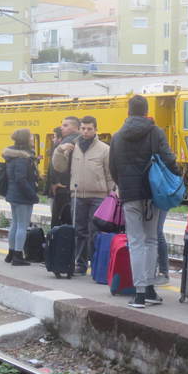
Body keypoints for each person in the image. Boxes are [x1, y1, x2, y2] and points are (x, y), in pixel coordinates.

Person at [109, 95, 180, 309]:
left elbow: (112, 168)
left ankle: (139, 293)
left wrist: (122, 184)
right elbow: (169, 159)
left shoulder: (118, 136)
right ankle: (149, 289)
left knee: (136, 242)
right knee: (151, 240)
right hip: (152, 193)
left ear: (128, 111)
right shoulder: (155, 132)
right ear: (146, 111)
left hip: (130, 195)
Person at [51, 116, 114, 276]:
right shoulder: (72, 147)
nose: (86, 132)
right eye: (83, 128)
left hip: (99, 196)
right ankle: (80, 263)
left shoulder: (104, 149)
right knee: (79, 230)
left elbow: (109, 174)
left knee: (95, 231)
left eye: (89, 129)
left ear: (95, 130)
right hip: (77, 195)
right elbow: (59, 167)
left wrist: (111, 194)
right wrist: (59, 150)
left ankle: (96, 263)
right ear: (80, 129)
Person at [1, 129, 39, 266]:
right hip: (22, 195)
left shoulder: (12, 155)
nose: (32, 139)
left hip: (13, 194)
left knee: (15, 224)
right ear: (25, 139)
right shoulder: (22, 158)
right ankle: (18, 255)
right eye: (30, 137)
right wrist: (32, 194)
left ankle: (11, 254)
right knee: (22, 225)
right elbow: (21, 179)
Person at [48, 116, 80, 228]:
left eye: (65, 125)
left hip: (63, 186)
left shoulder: (68, 141)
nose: (61, 128)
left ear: (75, 127)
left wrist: (54, 181)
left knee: (59, 221)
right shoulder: (80, 140)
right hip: (74, 186)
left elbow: (55, 165)